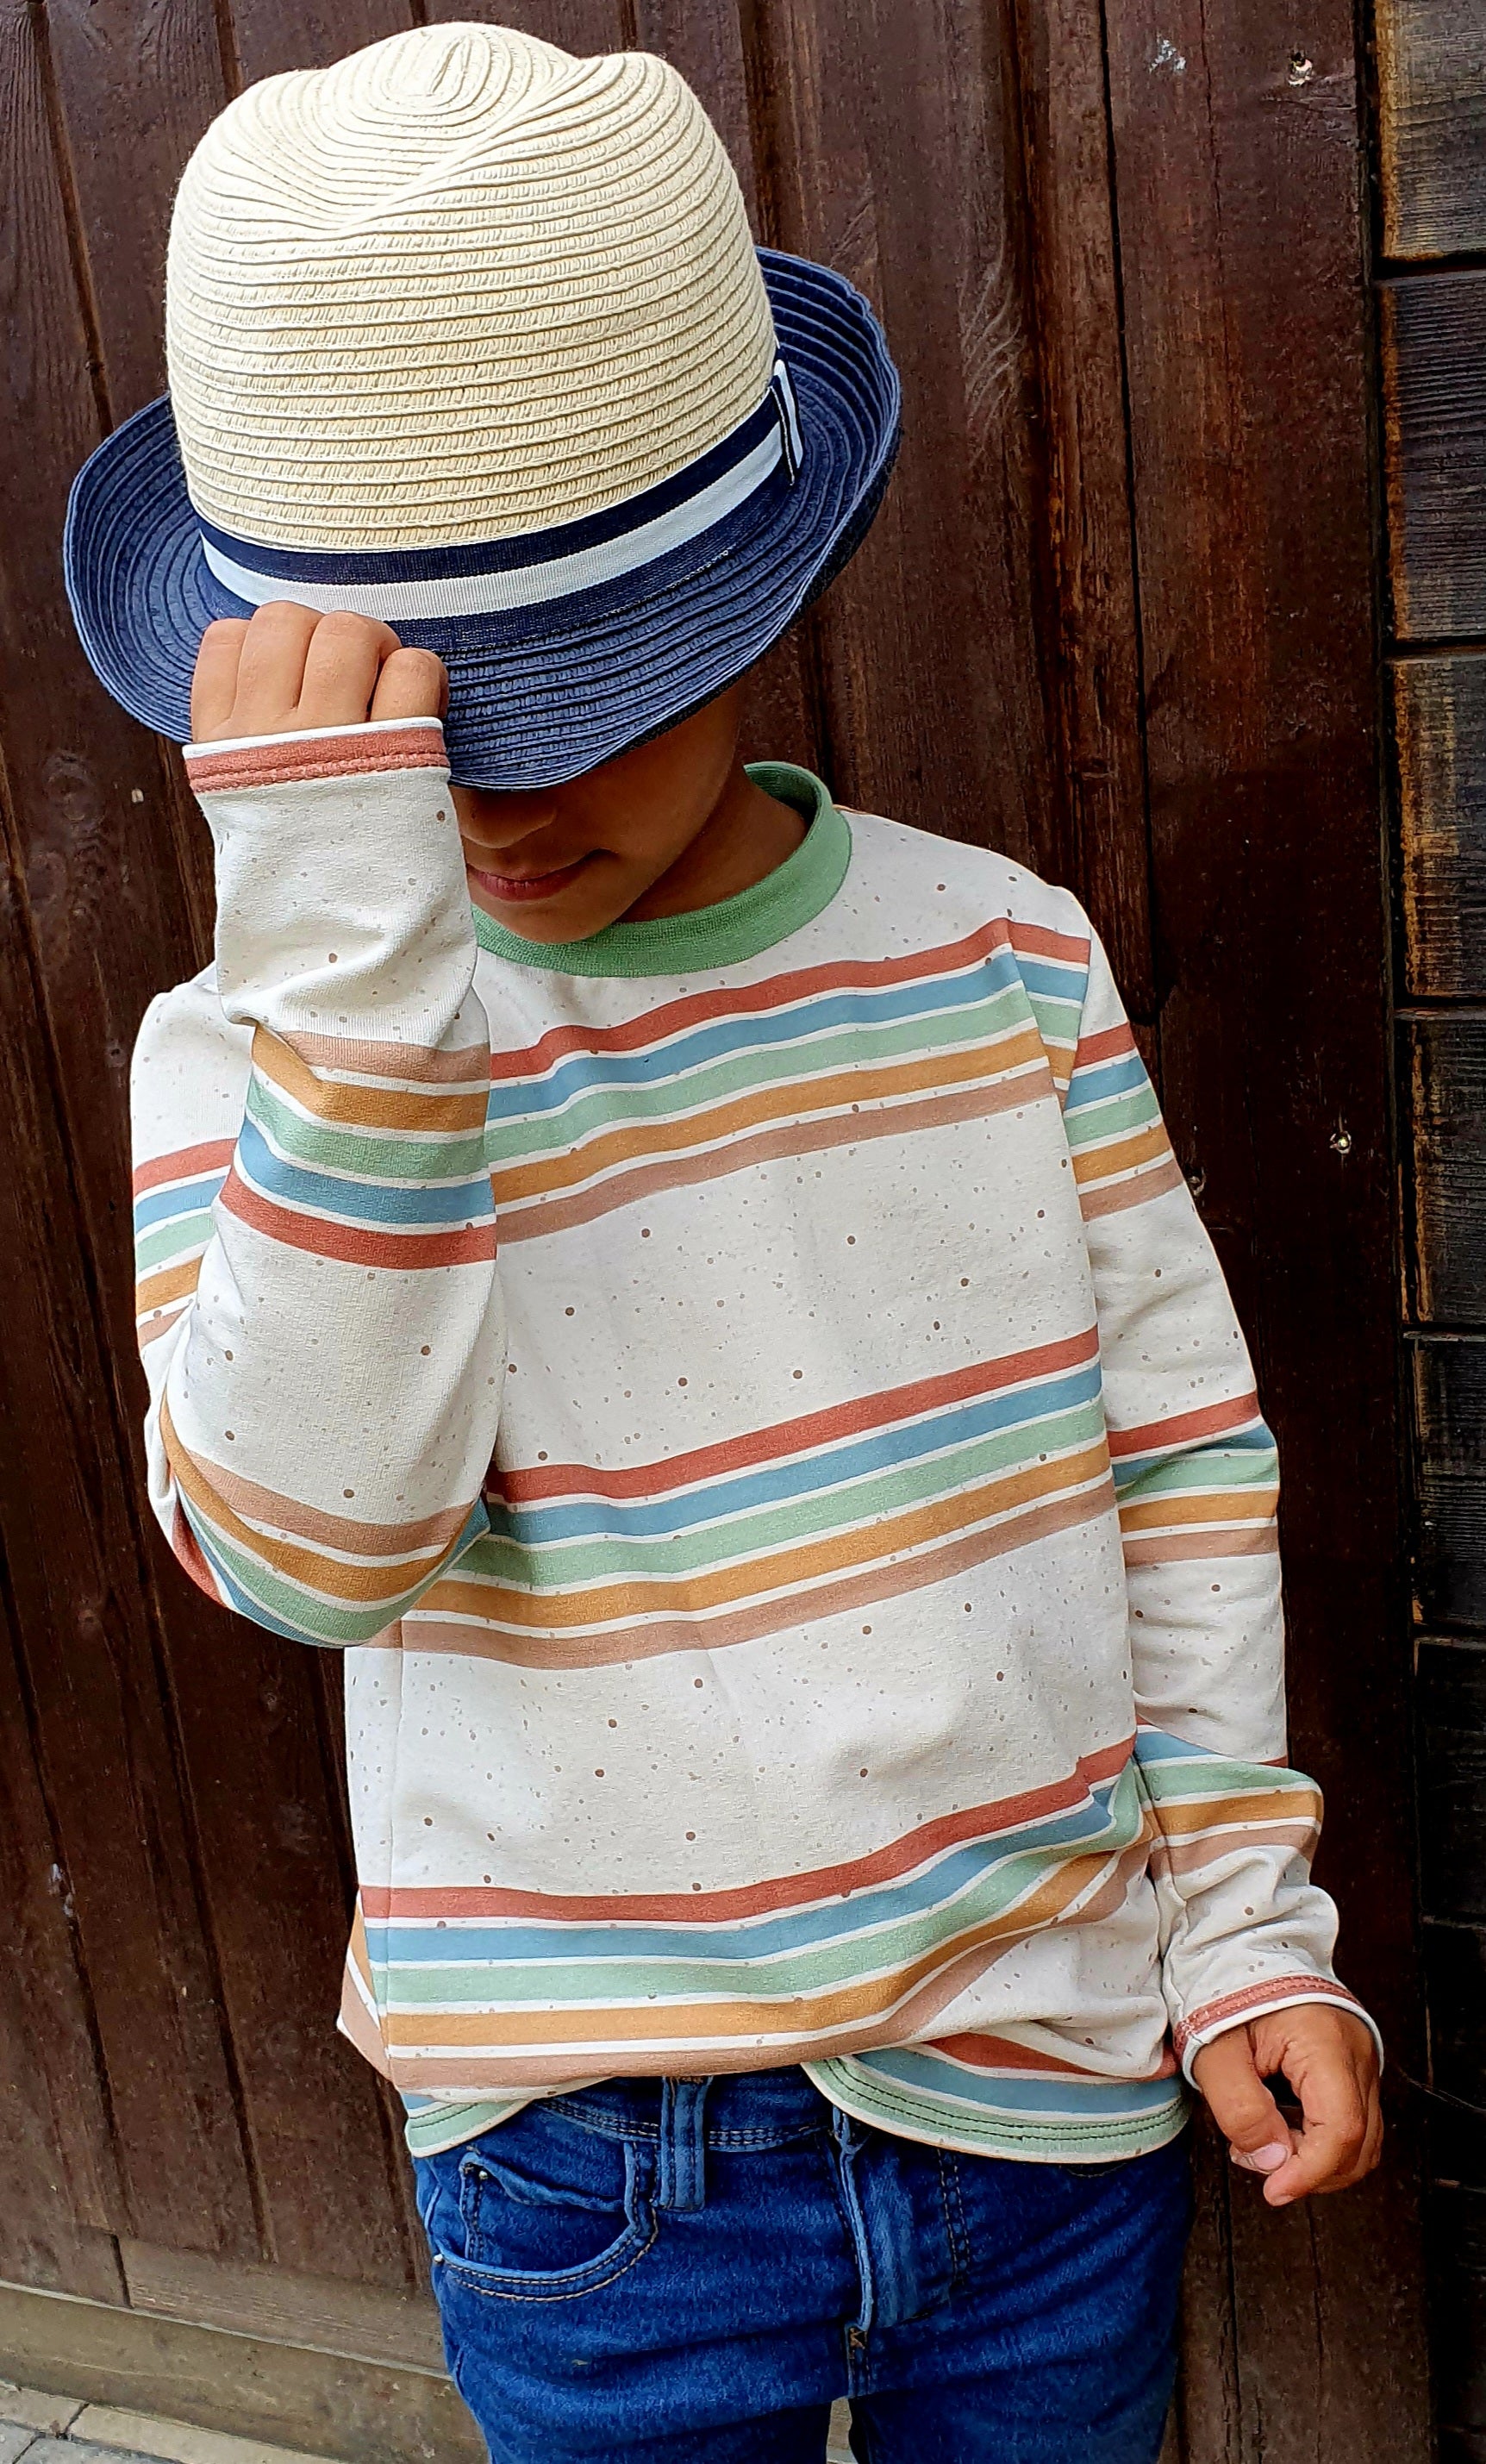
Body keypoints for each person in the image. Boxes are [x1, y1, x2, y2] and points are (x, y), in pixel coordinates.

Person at [66, 23, 1381, 2464]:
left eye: (579, 691)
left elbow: (1181, 1472)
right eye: (414, 731)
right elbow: (312, 1555)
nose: (502, 792)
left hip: (1052, 2082)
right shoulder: (253, 1056)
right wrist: (347, 967)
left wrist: (1240, 1930)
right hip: (589, 2157)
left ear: (749, 593)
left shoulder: (1002, 960)